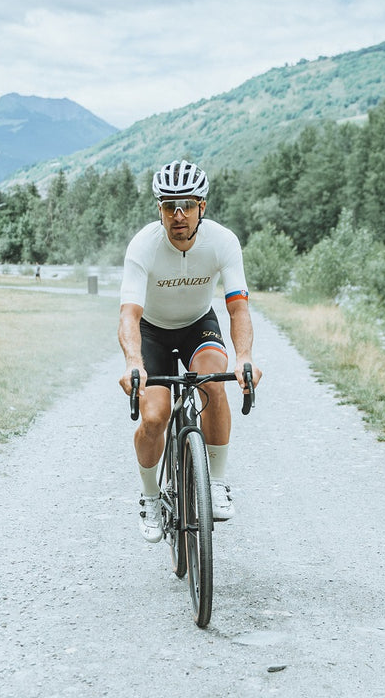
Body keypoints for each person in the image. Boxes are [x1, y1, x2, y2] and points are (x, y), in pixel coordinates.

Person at [118, 159, 261, 543]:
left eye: (187, 204)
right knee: (154, 416)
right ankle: (150, 497)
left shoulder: (223, 241)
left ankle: (214, 483)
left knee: (215, 380)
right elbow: (129, 315)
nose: (178, 215)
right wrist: (134, 363)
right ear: (159, 210)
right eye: (168, 206)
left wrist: (244, 356)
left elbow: (238, 307)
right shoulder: (143, 246)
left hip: (199, 324)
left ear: (203, 207)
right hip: (153, 332)